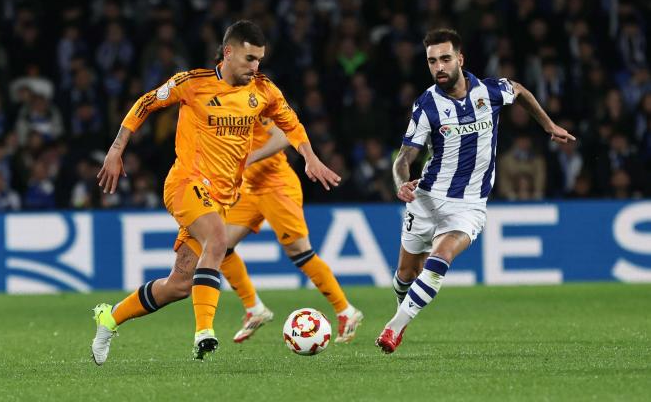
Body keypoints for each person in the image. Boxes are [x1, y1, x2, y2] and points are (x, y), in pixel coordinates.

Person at [91, 20, 340, 364]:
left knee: (178, 284)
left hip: (222, 197)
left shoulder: (264, 91)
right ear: (228, 52)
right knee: (219, 240)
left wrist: (310, 157)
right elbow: (147, 102)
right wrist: (117, 149)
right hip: (185, 184)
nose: (256, 68)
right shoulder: (192, 83)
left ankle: (110, 317)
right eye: (250, 59)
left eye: (260, 60)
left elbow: (291, 124)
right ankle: (204, 332)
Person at [375, 29, 575, 354]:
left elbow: (520, 91)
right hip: (426, 200)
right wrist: (402, 184)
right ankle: (404, 312)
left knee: (441, 257)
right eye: (431, 61)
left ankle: (394, 328)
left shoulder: (490, 90)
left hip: (469, 205)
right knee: (406, 274)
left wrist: (548, 125)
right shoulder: (426, 106)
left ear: (460, 59)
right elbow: (404, 158)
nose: (438, 66)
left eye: (444, 58)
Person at [190, 117, 363, 345]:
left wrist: (250, 159)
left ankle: (346, 311)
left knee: (299, 252)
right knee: (219, 245)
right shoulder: (219, 105)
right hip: (248, 189)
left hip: (277, 186)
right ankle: (254, 308)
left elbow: (283, 136)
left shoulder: (254, 103)